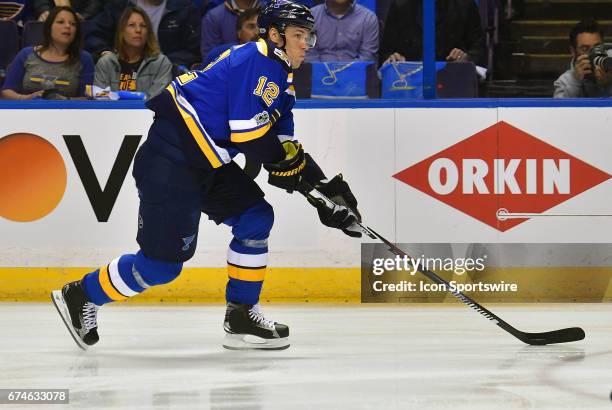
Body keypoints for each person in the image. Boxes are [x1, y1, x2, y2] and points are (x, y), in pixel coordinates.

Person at [51, 0, 362, 351]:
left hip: (205, 161)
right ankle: (81, 294)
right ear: (275, 35)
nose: (307, 43)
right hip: (172, 162)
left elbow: (283, 144)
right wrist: (299, 178)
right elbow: (249, 135)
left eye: (309, 35)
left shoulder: (281, 73)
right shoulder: (255, 61)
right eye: (299, 35)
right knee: (161, 268)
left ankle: (241, 313)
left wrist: (321, 188)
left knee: (256, 217)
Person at [1, 6, 94, 100]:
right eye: (61, 22)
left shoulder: (84, 59)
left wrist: (65, 100)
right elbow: (7, 91)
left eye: (73, 24)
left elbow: (88, 98)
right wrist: (27, 98)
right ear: (49, 27)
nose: (68, 26)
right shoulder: (26, 54)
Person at [86, 0, 200, 68]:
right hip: (122, 65)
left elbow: (193, 50)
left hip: (167, 69)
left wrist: (164, 63)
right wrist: (104, 51)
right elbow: (93, 32)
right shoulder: (121, 5)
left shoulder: (184, 8)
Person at [93, 6, 172, 98]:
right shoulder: (106, 63)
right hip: (111, 112)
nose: (138, 30)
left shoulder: (161, 63)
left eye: (143, 26)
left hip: (147, 112)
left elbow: (156, 100)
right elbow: (100, 98)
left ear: (148, 32)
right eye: (131, 25)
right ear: (121, 31)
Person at [379, 0, 484, 66]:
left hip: (454, 81)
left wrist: (466, 58)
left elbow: (478, 49)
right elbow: (386, 51)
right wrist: (392, 58)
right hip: (408, 82)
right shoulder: (399, 6)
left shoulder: (465, 5)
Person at [553, 19, 612, 98]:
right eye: (585, 49)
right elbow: (560, 109)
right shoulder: (565, 82)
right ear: (573, 52)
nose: (593, 53)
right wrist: (575, 82)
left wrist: (608, 85)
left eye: (597, 47)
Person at [306, 0, 378, 62]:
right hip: (318, 74)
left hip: (357, 74)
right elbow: (309, 54)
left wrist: (345, 73)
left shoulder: (368, 18)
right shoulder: (311, 16)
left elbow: (367, 57)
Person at [35, 0, 102, 22]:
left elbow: (94, 4)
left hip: (82, 22)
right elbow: (42, 3)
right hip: (50, 21)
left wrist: (83, 16)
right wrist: (45, 11)